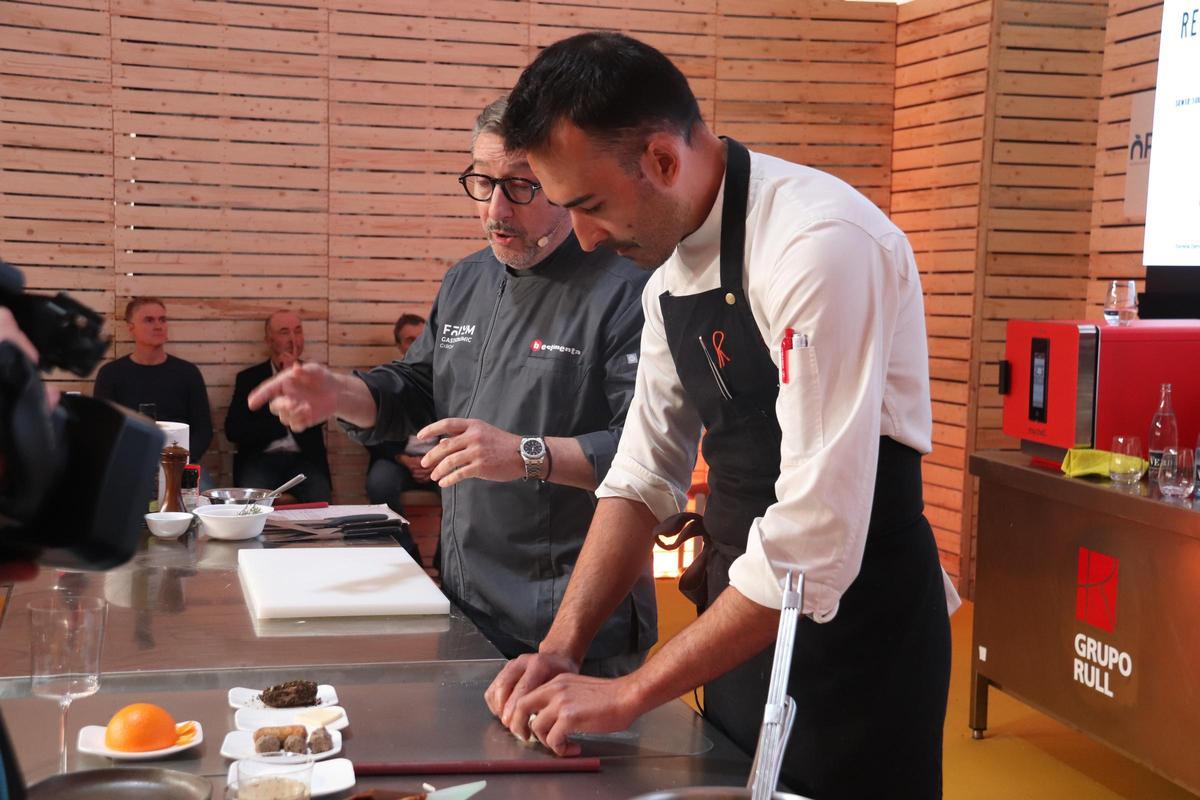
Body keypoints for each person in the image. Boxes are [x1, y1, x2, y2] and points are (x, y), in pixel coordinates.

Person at [482, 33, 961, 799]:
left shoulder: (817, 245)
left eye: (592, 205)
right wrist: (563, 649)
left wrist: (633, 690)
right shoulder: (666, 277)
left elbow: (814, 542)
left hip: (858, 638)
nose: (585, 237)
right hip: (739, 618)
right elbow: (641, 476)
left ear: (665, 161)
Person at [246, 97, 657, 675]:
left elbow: (644, 455)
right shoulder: (468, 278)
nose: (495, 209)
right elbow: (418, 387)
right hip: (466, 596)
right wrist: (343, 393)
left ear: (565, 183)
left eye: (520, 186)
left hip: (575, 617)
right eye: (481, 182)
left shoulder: (626, 289)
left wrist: (522, 454)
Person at [93, 297, 213, 469]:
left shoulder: (187, 372)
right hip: (129, 463)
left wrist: (183, 459)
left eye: (162, 319)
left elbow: (203, 430)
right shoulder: (111, 374)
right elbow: (104, 429)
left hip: (180, 462)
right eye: (149, 320)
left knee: (201, 493)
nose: (158, 326)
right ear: (131, 328)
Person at [225, 310, 331, 502]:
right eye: (284, 332)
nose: (293, 339)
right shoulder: (249, 379)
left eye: (298, 331)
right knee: (252, 504)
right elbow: (233, 431)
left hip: (304, 459)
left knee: (320, 497)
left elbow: (319, 419)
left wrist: (295, 379)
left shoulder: (313, 376)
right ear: (269, 340)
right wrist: (279, 424)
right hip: (261, 459)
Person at [364, 314, 439, 513]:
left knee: (462, 486)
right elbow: (371, 437)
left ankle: (447, 546)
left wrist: (437, 459)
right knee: (379, 483)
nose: (417, 346)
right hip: (397, 460)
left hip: (439, 459)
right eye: (409, 340)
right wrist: (405, 460)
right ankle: (404, 544)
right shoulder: (385, 381)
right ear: (398, 345)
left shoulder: (447, 379)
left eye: (421, 339)